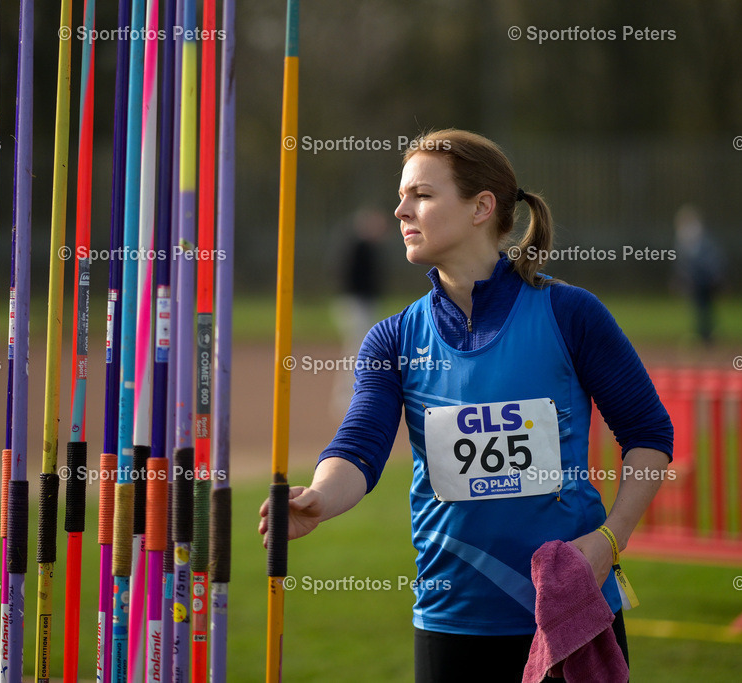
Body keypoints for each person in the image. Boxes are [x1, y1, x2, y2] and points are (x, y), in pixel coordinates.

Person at [259, 129, 674, 681]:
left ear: (482, 207)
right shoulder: (393, 338)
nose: (401, 209)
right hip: (451, 618)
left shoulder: (571, 313)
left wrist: (609, 541)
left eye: (422, 196)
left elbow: (648, 432)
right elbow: (360, 445)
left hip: (570, 606)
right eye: (403, 195)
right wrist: (319, 498)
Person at [331, 206, 390, 415]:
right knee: (357, 349)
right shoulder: (359, 247)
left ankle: (349, 397)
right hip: (355, 304)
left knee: (357, 348)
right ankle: (348, 399)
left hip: (360, 303)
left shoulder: (367, 248)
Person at [673, 205, 724, 346]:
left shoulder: (701, 240)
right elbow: (684, 264)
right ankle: (703, 335)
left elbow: (710, 260)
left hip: (704, 280)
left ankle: (707, 336)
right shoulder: (685, 240)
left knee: (705, 308)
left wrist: (715, 276)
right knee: (699, 308)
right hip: (696, 281)